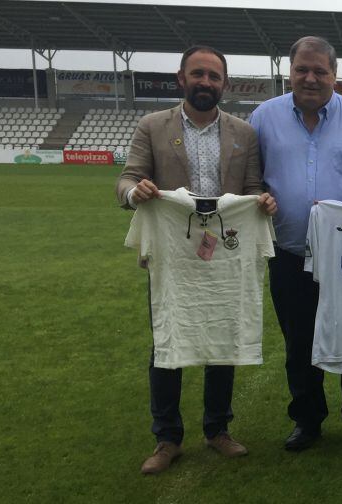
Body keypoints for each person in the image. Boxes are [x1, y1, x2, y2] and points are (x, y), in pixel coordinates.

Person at [115, 45, 277, 475]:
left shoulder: (245, 132)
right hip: (174, 252)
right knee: (167, 339)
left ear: (224, 84)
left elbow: (254, 186)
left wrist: (263, 201)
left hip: (225, 252)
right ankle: (167, 438)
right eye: (198, 74)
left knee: (223, 338)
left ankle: (217, 429)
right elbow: (128, 177)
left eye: (214, 76)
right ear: (181, 79)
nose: (206, 82)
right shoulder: (153, 126)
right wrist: (137, 194)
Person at [249, 36, 342, 451]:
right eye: (302, 70)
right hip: (289, 253)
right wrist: (259, 195)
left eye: (320, 71)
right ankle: (307, 420)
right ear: (289, 71)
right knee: (298, 342)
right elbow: (249, 176)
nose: (310, 78)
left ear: (335, 75)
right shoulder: (263, 118)